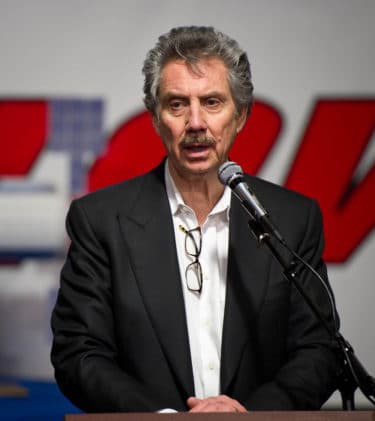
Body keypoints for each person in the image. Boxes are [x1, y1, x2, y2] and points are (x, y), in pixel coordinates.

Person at [51, 26, 339, 413]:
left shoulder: (292, 219)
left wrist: (250, 414)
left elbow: (318, 350)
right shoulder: (101, 221)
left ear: (240, 116)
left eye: (213, 102)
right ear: (155, 118)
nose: (196, 122)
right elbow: (79, 355)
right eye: (177, 105)